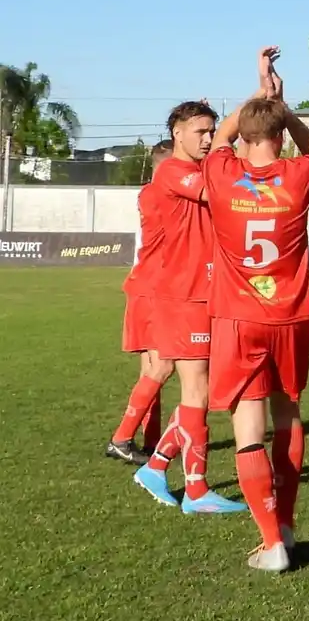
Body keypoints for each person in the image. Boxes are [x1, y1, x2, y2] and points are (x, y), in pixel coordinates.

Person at [202, 47, 309, 572]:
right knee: (288, 413)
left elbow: (222, 137)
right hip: (290, 316)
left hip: (238, 317)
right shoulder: (297, 178)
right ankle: (290, 524)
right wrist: (283, 107)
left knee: (248, 427)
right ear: (278, 136)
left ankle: (271, 540)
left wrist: (257, 93)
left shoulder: (222, 174)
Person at [132, 100, 246, 514]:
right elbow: (221, 191)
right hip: (183, 296)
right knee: (197, 391)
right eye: (200, 131)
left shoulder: (200, 171)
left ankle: (158, 466)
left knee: (203, 392)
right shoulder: (172, 171)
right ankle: (195, 490)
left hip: (204, 293)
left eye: (211, 130)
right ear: (177, 132)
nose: (207, 138)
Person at [107, 140, 174, 465]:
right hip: (157, 289)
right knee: (163, 365)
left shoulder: (148, 191)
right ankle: (122, 437)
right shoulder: (168, 193)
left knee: (151, 368)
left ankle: (151, 440)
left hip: (143, 285)